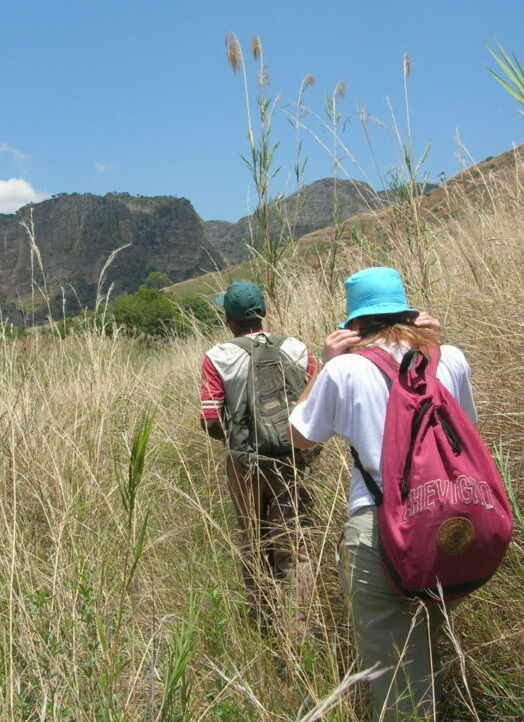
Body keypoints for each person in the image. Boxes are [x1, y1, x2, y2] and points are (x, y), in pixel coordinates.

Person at [287, 267, 477, 721]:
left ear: (353, 325)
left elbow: (299, 437)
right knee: (430, 640)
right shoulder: (449, 356)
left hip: (378, 526)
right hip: (447, 521)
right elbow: (466, 428)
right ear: (410, 312)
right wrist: (437, 345)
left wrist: (325, 363)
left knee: (392, 672)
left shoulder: (345, 369)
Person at [200, 280, 320, 632]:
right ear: (263, 313)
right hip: (292, 462)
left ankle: (263, 624)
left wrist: (238, 440)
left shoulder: (218, 357)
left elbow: (209, 420)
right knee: (294, 547)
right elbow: (312, 404)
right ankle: (301, 634)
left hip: (245, 466)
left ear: (228, 318)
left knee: (253, 542)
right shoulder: (297, 349)